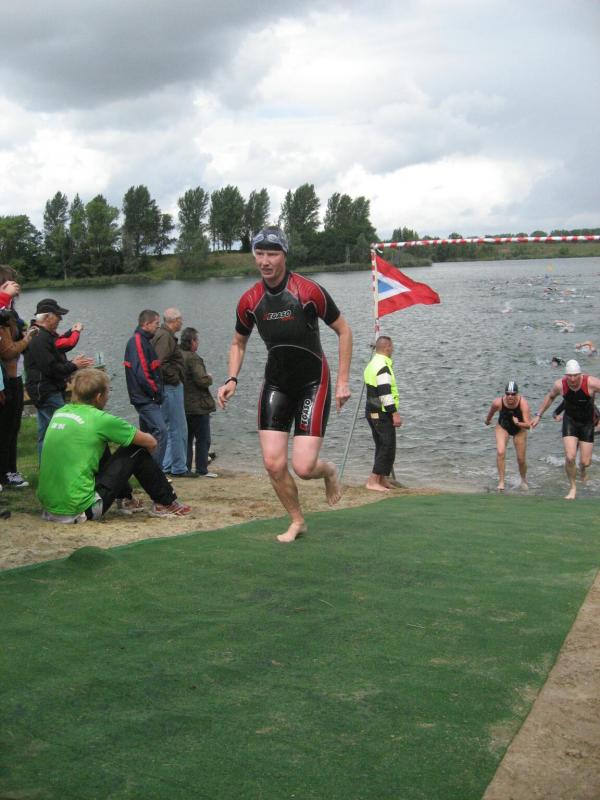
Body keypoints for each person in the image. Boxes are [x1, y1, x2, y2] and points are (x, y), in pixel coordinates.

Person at [217, 225, 352, 543]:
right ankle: (297, 520)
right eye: (259, 253)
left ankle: (328, 471)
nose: (265, 261)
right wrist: (232, 377)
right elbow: (238, 342)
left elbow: (344, 331)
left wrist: (343, 381)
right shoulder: (250, 300)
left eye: (272, 254)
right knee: (273, 463)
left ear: (284, 255)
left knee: (304, 468)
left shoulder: (308, 291)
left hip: (313, 383)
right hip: (277, 384)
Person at [38, 368, 192, 522]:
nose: (108, 396)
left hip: (50, 507)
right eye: (108, 392)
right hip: (82, 510)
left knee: (99, 444)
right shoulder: (100, 419)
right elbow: (151, 442)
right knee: (137, 449)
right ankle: (165, 502)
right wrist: (143, 464)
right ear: (98, 397)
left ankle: (126, 498)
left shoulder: (60, 413)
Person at [24, 298, 94, 458]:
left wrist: (72, 363)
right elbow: (50, 368)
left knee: (46, 432)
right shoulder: (40, 338)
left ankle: (46, 467)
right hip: (46, 391)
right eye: (58, 316)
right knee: (66, 427)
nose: (60, 319)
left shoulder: (42, 334)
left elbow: (55, 354)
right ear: (47, 317)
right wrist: (73, 365)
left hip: (44, 390)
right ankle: (70, 462)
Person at [532, 359, 600, 499]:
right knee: (570, 457)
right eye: (569, 376)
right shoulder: (560, 385)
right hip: (570, 421)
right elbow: (550, 397)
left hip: (587, 423)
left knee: (585, 462)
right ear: (566, 375)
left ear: (580, 374)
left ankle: (582, 469)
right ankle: (572, 488)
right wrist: (538, 415)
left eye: (575, 376)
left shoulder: (591, 383)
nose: (573, 379)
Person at [0, 271, 37, 488]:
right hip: (6, 379)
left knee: (13, 427)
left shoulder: (9, 314)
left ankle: (10, 471)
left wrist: (26, 333)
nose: (15, 287)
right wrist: (27, 339)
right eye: (8, 283)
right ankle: (6, 473)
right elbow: (8, 351)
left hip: (14, 377)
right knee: (6, 429)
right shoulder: (3, 316)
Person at [152, 308, 196, 478]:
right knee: (178, 427)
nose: (182, 322)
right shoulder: (165, 337)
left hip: (165, 387)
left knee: (170, 427)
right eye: (180, 319)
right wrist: (175, 378)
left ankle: (168, 464)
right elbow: (160, 363)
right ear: (174, 320)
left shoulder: (162, 334)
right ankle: (178, 467)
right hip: (170, 387)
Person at [124, 309, 168, 468]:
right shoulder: (137, 342)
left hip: (146, 397)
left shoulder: (144, 341)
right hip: (145, 398)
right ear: (146, 324)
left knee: (147, 437)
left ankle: (143, 470)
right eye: (156, 323)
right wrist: (155, 392)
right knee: (161, 431)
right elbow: (142, 372)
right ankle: (155, 473)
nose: (158, 327)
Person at [363, 336, 402, 492]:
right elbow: (385, 392)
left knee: (381, 444)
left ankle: (382, 479)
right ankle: (372, 480)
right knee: (387, 445)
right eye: (392, 347)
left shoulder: (372, 363)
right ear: (387, 347)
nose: (393, 349)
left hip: (372, 410)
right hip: (382, 412)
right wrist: (394, 413)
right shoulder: (383, 366)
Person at [180, 327, 217, 477]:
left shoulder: (178, 355)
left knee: (187, 439)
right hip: (198, 406)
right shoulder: (193, 358)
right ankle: (202, 469)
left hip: (182, 404)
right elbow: (201, 380)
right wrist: (209, 377)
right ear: (192, 342)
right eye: (197, 340)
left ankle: (186, 467)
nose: (198, 343)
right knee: (203, 439)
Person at [485, 380, 532, 491]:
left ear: (517, 394)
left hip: (519, 429)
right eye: (508, 394)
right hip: (503, 426)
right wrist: (487, 421)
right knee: (500, 452)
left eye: (513, 394)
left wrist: (518, 423)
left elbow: (528, 425)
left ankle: (523, 480)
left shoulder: (523, 403)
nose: (510, 396)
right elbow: (490, 414)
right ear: (505, 394)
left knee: (521, 459)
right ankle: (501, 482)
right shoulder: (498, 402)